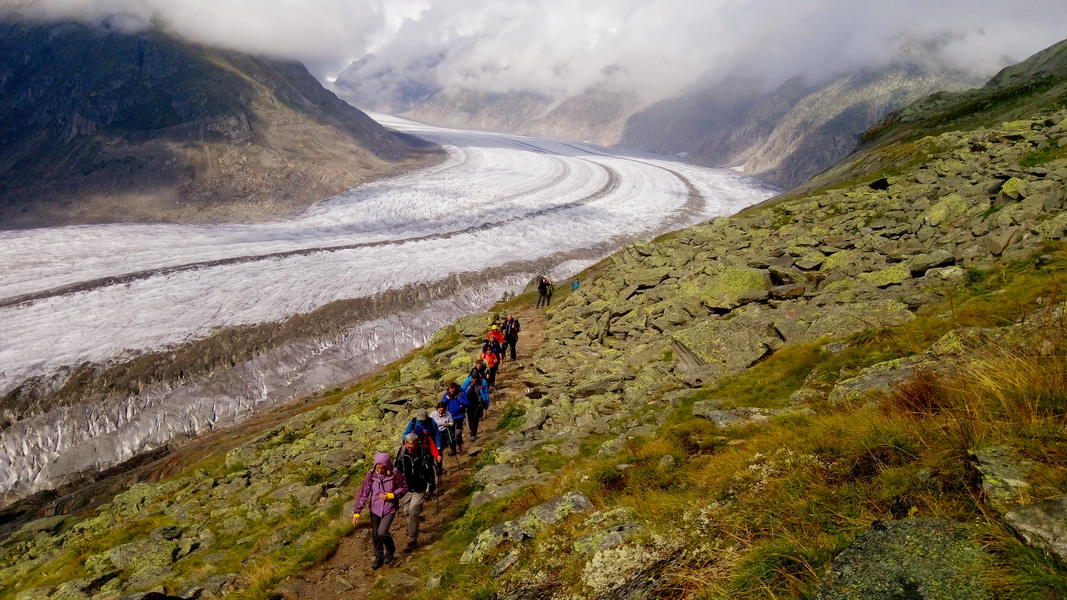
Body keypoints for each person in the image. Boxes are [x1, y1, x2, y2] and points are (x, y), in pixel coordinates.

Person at [353, 452, 408, 569]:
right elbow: (364, 493)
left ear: (387, 465)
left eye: (381, 468)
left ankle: (390, 550)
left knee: (382, 532)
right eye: (377, 467)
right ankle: (379, 556)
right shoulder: (371, 475)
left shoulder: (395, 473)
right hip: (375, 508)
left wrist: (392, 495)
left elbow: (404, 487)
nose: (379, 470)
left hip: (390, 508)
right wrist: (357, 512)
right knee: (375, 534)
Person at [394, 432, 437, 552]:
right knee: (407, 511)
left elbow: (430, 470)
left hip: (420, 487)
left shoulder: (424, 453)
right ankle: (414, 527)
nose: (410, 449)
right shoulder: (402, 452)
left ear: (417, 443)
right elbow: (397, 468)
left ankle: (412, 540)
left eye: (412, 446)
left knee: (413, 511)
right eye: (408, 446)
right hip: (406, 487)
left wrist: (431, 485)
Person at [461, 371, 490, 442]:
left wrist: (486, 405)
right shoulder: (468, 381)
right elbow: (463, 391)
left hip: (478, 403)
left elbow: (486, 393)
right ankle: (471, 428)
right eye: (473, 379)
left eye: (476, 379)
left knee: (475, 418)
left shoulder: (483, 382)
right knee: (470, 417)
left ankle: (473, 434)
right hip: (469, 403)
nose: (474, 380)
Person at [442, 382, 468, 453]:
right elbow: (442, 404)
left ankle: (459, 445)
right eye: (450, 391)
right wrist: (447, 399)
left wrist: (460, 400)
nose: (452, 393)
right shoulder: (447, 394)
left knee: (458, 432)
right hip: (450, 416)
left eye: (453, 391)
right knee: (451, 434)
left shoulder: (461, 394)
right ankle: (453, 449)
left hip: (460, 415)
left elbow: (467, 403)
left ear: (456, 389)